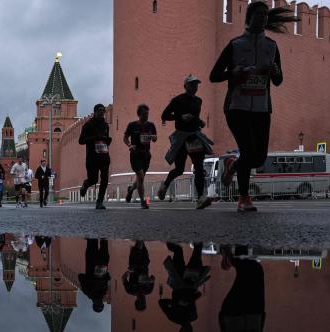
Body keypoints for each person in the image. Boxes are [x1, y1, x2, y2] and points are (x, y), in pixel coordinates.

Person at [210, 2, 296, 212]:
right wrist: (234, 73)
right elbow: (214, 76)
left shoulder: (272, 46)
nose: (263, 19)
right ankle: (244, 198)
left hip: (262, 108)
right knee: (248, 150)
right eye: (259, 15)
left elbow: (278, 80)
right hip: (236, 107)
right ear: (249, 18)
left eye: (266, 16)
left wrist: (275, 71)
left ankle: (232, 165)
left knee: (259, 157)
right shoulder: (235, 45)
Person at [159, 75, 214, 210]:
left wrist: (198, 121)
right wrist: (180, 116)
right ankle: (165, 184)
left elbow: (195, 116)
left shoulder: (198, 101)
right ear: (185, 86)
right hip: (181, 138)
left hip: (195, 137)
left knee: (199, 168)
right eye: (192, 85)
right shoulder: (177, 100)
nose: (194, 87)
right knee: (179, 169)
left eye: (196, 85)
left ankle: (201, 197)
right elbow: (164, 115)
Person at [159, 242, 211, 332]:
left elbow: (161, 302)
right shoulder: (193, 317)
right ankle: (197, 234)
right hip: (191, 283)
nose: (190, 330)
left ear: (181, 330)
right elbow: (192, 300)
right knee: (197, 253)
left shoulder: (174, 317)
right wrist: (190, 299)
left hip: (178, 282)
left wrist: (176, 303)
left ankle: (169, 238)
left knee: (178, 252)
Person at [124, 104, 158, 209]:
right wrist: (129, 145)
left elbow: (155, 139)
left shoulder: (151, 125)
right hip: (135, 154)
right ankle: (143, 202)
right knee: (141, 176)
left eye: (147, 114)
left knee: (140, 179)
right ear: (139, 114)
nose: (146, 116)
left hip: (146, 155)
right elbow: (125, 137)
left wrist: (153, 137)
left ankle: (130, 189)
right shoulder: (132, 125)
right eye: (144, 114)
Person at [79, 104, 112, 209]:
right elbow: (81, 141)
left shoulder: (105, 125)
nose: (102, 112)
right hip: (92, 157)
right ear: (95, 112)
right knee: (93, 180)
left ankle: (99, 202)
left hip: (104, 156)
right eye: (100, 110)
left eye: (104, 111)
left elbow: (105, 139)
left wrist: (108, 140)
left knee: (105, 179)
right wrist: (94, 138)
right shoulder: (88, 125)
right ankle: (86, 184)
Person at [78, 239, 110, 313]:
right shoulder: (88, 292)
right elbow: (80, 276)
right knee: (93, 239)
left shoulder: (103, 291)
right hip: (92, 260)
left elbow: (107, 277)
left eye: (101, 304)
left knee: (103, 240)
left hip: (102, 261)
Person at [122, 241, 155, 311]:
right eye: (144, 303)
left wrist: (129, 271)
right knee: (142, 244)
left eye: (141, 302)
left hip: (134, 264)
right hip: (145, 264)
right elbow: (153, 277)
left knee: (139, 243)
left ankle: (139, 233)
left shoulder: (130, 290)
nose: (144, 301)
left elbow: (123, 278)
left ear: (137, 302)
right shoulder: (148, 291)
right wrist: (149, 280)